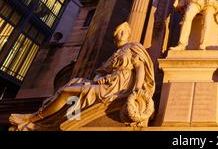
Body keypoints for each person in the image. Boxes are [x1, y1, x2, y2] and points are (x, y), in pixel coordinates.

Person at [9, 22, 155, 131]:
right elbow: (100, 72)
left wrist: (136, 89)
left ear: (127, 34)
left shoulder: (133, 48)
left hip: (118, 87)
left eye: (121, 32)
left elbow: (140, 68)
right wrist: (99, 79)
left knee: (66, 92)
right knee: (74, 83)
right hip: (107, 84)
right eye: (117, 33)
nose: (119, 35)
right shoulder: (116, 54)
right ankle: (48, 122)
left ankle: (34, 118)